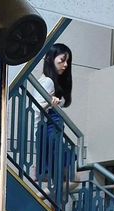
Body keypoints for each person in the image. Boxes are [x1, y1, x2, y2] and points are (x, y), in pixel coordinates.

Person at [35, 43, 75, 192]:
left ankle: (46, 194)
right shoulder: (48, 81)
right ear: (50, 59)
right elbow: (37, 108)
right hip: (49, 129)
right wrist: (49, 103)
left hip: (50, 129)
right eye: (62, 60)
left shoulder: (48, 80)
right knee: (71, 175)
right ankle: (46, 193)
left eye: (67, 61)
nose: (65, 65)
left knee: (65, 175)